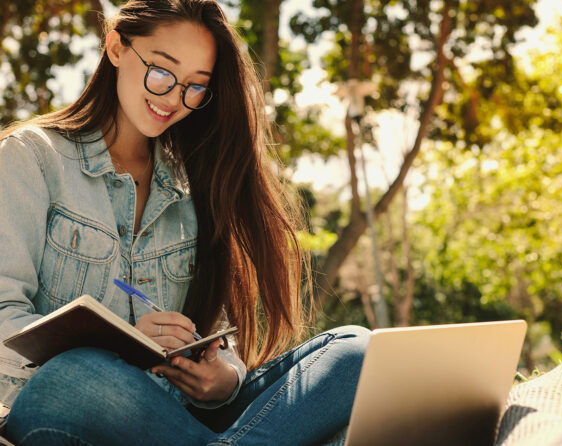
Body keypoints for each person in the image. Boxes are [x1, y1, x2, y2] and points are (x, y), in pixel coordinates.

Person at [0, 0, 370, 444]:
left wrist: (225, 378)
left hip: (175, 424)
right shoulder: (32, 159)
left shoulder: (196, 185)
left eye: (195, 87)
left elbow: (217, 335)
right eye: (162, 72)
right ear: (116, 47)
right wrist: (122, 344)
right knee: (77, 375)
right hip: (64, 405)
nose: (174, 99)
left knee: (355, 351)